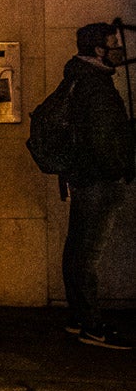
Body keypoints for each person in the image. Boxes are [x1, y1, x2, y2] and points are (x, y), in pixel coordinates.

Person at [60, 21, 135, 350]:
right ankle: (93, 326)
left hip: (84, 178)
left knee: (76, 251)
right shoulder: (97, 87)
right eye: (112, 43)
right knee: (87, 256)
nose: (118, 49)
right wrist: (120, 170)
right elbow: (104, 141)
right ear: (97, 49)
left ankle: (78, 318)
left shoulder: (78, 79)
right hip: (100, 182)